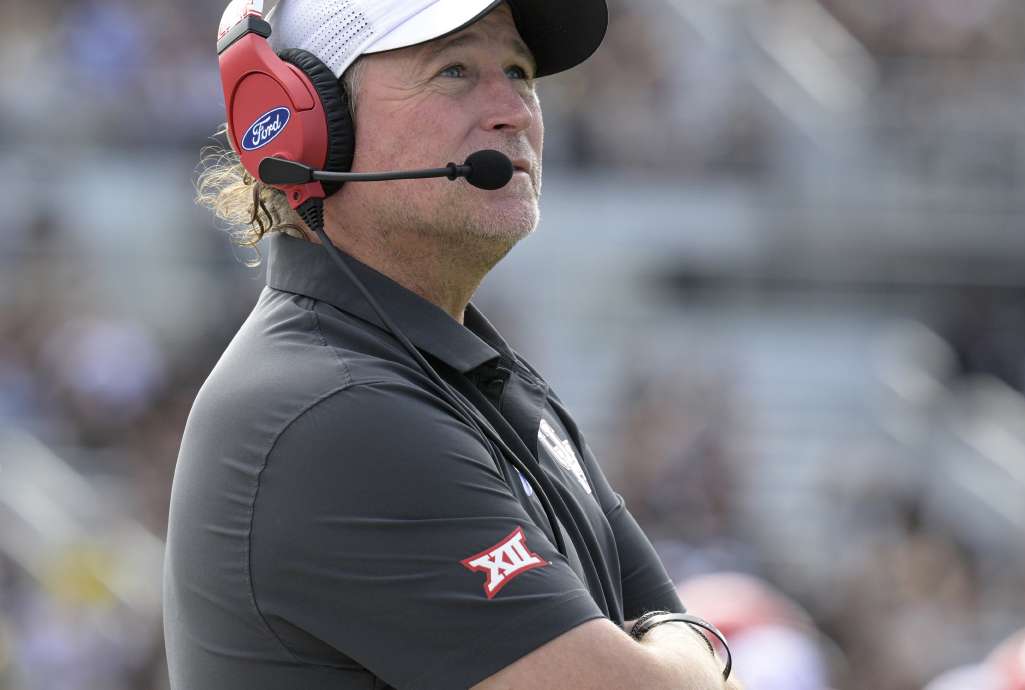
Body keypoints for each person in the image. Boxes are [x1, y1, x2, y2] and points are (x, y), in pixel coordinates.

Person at [164, 1, 738, 688]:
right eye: (456, 69)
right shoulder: (336, 411)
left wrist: (672, 651)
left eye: (520, 72)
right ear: (302, 125)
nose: (514, 111)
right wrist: (683, 649)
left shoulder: (468, 378)